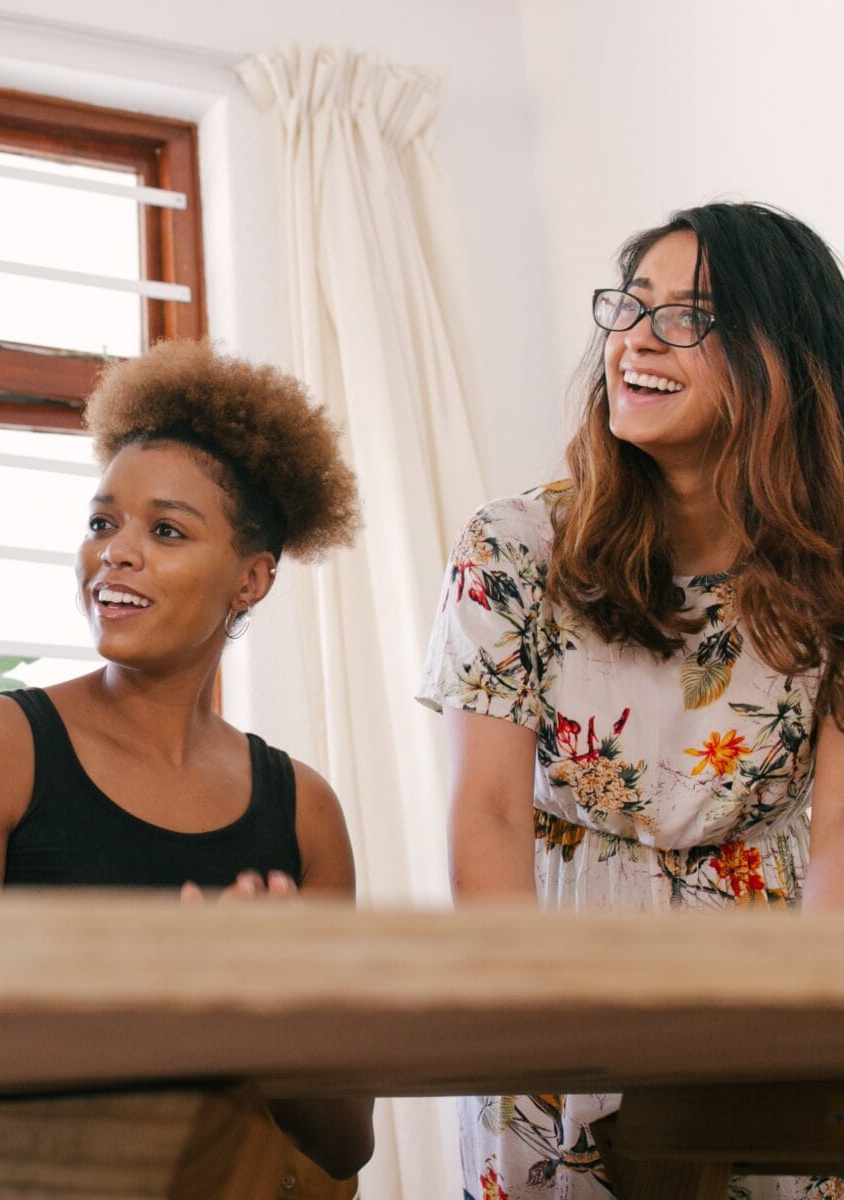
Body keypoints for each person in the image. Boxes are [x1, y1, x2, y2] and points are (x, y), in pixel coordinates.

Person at [421, 202, 844, 1199]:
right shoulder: (512, 546)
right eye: (629, 306)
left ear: (782, 356)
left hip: (763, 981)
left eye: (688, 315)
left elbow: (838, 842)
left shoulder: (833, 571)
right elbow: (480, 810)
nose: (634, 340)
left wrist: (811, 1014)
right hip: (548, 966)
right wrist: (528, 1008)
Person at [0, 339, 374, 1180]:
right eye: (102, 522)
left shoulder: (304, 809)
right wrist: (176, 1000)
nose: (115, 552)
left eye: (166, 530)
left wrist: (275, 1012)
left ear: (251, 579)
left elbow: (343, 1144)